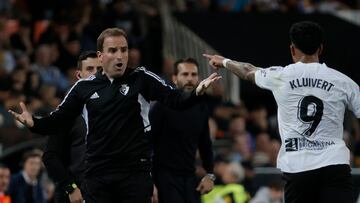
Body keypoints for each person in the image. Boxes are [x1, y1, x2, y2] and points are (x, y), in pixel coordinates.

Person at [9, 27, 221, 203]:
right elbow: (58, 121)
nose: (120, 55)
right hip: (97, 173)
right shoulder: (83, 87)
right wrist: (33, 123)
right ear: (101, 56)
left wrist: (196, 92)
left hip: (134, 173)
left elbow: (175, 99)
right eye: (113, 50)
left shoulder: (141, 78)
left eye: (124, 49)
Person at [203, 21, 360, 203]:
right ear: (321, 48)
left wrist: (224, 61)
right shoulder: (342, 81)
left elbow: (247, 71)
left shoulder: (279, 76)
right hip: (334, 165)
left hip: (297, 167)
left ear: (293, 49)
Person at [150, 58, 215, 203]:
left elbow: (205, 144)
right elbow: (148, 143)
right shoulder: (162, 106)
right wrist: (149, 181)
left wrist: (209, 175)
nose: (190, 79)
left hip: (190, 178)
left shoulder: (201, 108)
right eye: (185, 74)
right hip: (164, 178)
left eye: (194, 74)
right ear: (174, 78)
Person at [42, 50, 101, 203]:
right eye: (90, 69)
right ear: (78, 75)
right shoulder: (65, 114)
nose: (95, 74)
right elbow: (50, 156)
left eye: (100, 70)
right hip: (75, 195)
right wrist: (71, 187)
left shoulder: (115, 110)